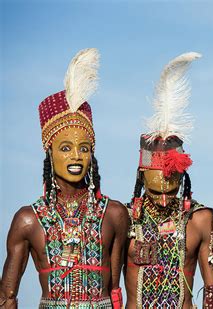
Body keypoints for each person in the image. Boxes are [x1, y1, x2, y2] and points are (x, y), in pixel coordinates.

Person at [0, 48, 128, 308]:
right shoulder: (28, 219)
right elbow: (7, 297)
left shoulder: (114, 214)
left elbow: (115, 290)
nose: (76, 157)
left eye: (84, 149)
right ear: (50, 153)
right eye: (66, 148)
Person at [124, 52, 213, 309]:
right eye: (156, 191)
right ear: (141, 177)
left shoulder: (199, 219)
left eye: (171, 188)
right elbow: (110, 286)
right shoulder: (123, 218)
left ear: (182, 178)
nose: (165, 197)